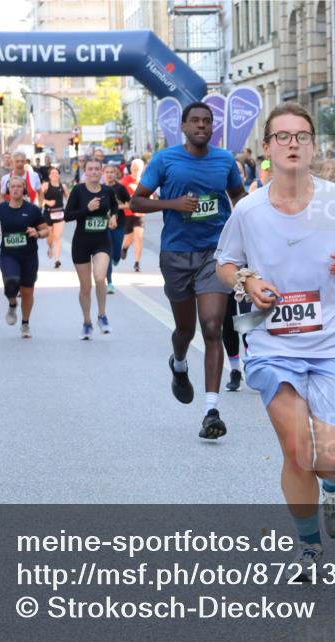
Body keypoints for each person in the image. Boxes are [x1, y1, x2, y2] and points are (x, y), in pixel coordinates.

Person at [215, 101, 335, 576]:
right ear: (266, 149)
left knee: (328, 459)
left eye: (300, 136)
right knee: (297, 451)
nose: (292, 143)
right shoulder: (249, 209)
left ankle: (333, 485)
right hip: (275, 343)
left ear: (312, 145)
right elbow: (224, 263)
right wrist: (246, 281)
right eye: (281, 136)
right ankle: (308, 547)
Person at [130, 101, 247, 440]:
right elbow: (137, 201)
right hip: (177, 254)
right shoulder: (165, 160)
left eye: (207, 121)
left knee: (212, 326)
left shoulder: (224, 160)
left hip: (215, 252)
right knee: (185, 330)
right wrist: (172, 204)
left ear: (213, 127)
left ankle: (212, 411)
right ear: (183, 126)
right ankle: (179, 364)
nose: (201, 126)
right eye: (194, 121)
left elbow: (238, 196)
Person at [0, 176, 49, 338]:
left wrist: (37, 233)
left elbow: (46, 230)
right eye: (12, 186)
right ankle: (12, 304)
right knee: (11, 284)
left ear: (24, 189)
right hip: (9, 254)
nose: (15, 189)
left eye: (19, 186)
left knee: (28, 292)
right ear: (9, 189)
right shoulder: (0, 209)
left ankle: (25, 323)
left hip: (29, 256)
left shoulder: (33, 210)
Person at [64, 157, 117, 339]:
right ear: (85, 171)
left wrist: (114, 217)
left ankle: (102, 315)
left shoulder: (108, 191)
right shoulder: (78, 191)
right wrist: (87, 209)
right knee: (85, 287)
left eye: (97, 169)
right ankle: (87, 322)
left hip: (101, 241)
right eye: (90, 169)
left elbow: (115, 207)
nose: (94, 172)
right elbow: (67, 216)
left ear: (101, 171)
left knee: (100, 277)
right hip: (81, 243)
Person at [103, 164, 132, 294]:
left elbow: (130, 204)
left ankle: (117, 258)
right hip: (104, 226)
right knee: (107, 253)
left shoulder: (120, 188)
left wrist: (117, 207)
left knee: (115, 254)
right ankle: (109, 282)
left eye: (112, 172)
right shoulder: (100, 188)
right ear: (103, 174)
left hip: (119, 224)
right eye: (107, 172)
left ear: (116, 174)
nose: (109, 174)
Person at [119, 158, 145, 271]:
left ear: (142, 169)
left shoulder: (145, 182)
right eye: (134, 169)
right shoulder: (124, 181)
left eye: (138, 169)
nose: (136, 171)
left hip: (140, 214)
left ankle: (137, 263)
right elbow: (118, 197)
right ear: (130, 169)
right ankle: (124, 248)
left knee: (139, 237)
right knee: (129, 238)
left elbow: (151, 196)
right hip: (128, 214)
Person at [40, 166, 68, 268]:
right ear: (49, 176)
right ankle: (50, 247)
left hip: (60, 213)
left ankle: (57, 260)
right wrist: (47, 202)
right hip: (48, 213)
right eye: (52, 173)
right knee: (50, 237)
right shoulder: (45, 185)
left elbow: (68, 199)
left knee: (57, 236)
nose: (54, 175)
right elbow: (38, 197)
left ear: (59, 175)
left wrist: (71, 210)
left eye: (56, 173)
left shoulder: (63, 186)